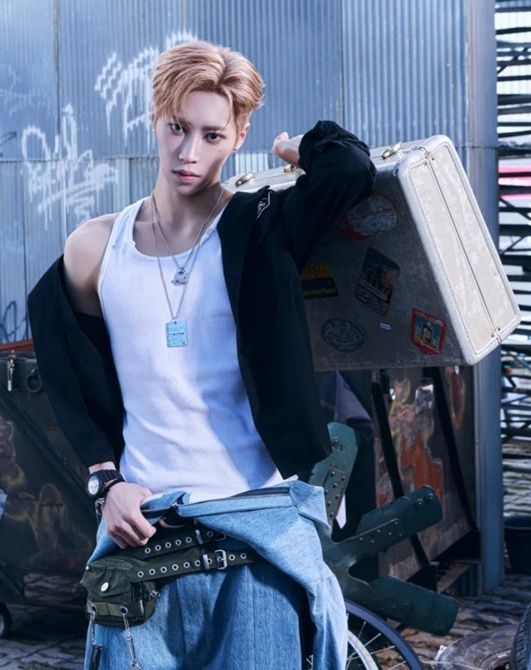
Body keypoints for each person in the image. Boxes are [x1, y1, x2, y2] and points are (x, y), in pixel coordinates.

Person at [27, 40, 375, 669]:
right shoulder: (96, 248)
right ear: (154, 120)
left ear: (239, 136)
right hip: (145, 528)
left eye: (213, 135)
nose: (189, 152)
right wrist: (106, 484)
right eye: (177, 128)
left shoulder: (263, 227)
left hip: (254, 525)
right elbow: (69, 376)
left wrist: (301, 151)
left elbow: (351, 170)